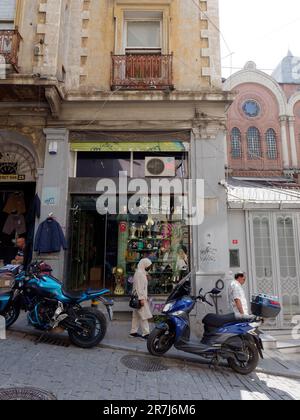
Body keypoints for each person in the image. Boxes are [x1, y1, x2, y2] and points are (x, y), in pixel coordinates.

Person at [130, 258, 153, 340]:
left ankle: (133, 332)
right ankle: (146, 333)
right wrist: (141, 299)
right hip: (140, 298)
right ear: (144, 264)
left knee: (136, 316)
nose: (149, 267)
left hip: (138, 298)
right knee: (144, 316)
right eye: (148, 266)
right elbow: (139, 287)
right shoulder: (139, 273)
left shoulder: (141, 272)